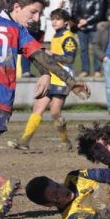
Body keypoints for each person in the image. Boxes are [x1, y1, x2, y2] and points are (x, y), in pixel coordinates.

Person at [0, 0, 89, 216]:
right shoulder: (14, 29)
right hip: (2, 104)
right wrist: (70, 81)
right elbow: (40, 56)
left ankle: (2, 185)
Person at [8, 8, 78, 152]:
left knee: (55, 112)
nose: (54, 22)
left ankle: (66, 142)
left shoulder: (68, 37)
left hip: (62, 79)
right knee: (38, 108)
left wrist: (51, 55)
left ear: (65, 22)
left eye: (58, 19)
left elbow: (70, 59)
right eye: (53, 19)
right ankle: (24, 141)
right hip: (52, 76)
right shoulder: (55, 36)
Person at [72, 0, 106, 77]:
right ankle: (85, 70)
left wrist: (86, 21)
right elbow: (74, 12)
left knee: (96, 48)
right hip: (81, 28)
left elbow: (98, 13)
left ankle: (97, 70)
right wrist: (80, 21)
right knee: (83, 49)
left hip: (94, 27)